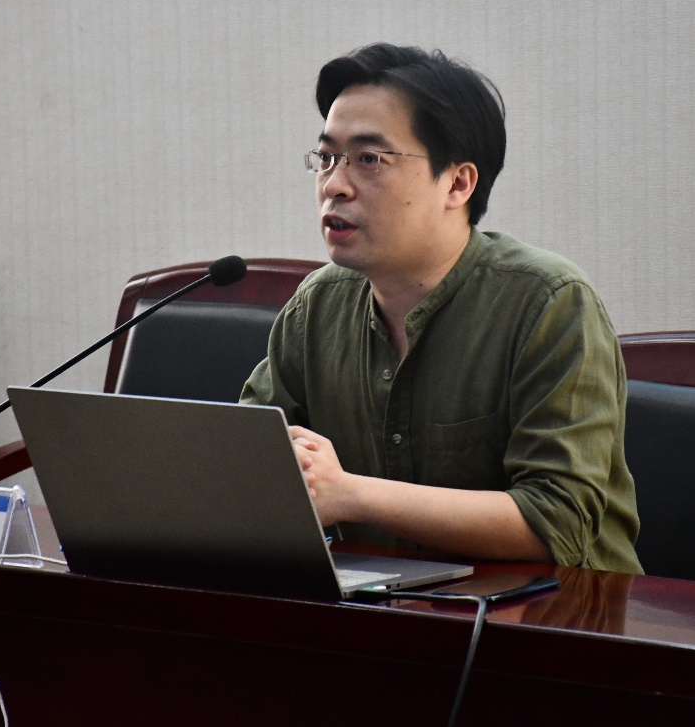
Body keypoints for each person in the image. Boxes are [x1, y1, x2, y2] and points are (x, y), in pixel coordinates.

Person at [241, 43, 640, 573]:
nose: (334, 185)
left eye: (369, 160)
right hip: (382, 606)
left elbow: (558, 522)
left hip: (558, 611)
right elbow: (247, 461)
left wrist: (350, 494)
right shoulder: (318, 306)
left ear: (457, 183)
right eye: (327, 158)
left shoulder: (549, 303)